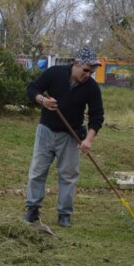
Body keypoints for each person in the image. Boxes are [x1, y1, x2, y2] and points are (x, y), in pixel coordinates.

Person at [25, 47, 105, 228]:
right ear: (76, 63)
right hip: (46, 131)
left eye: (91, 72)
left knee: (68, 176)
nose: (88, 75)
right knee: (37, 171)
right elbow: (32, 88)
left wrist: (88, 139)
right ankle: (32, 208)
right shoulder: (54, 73)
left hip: (71, 135)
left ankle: (64, 214)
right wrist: (42, 100)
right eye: (85, 70)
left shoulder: (91, 88)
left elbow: (97, 115)